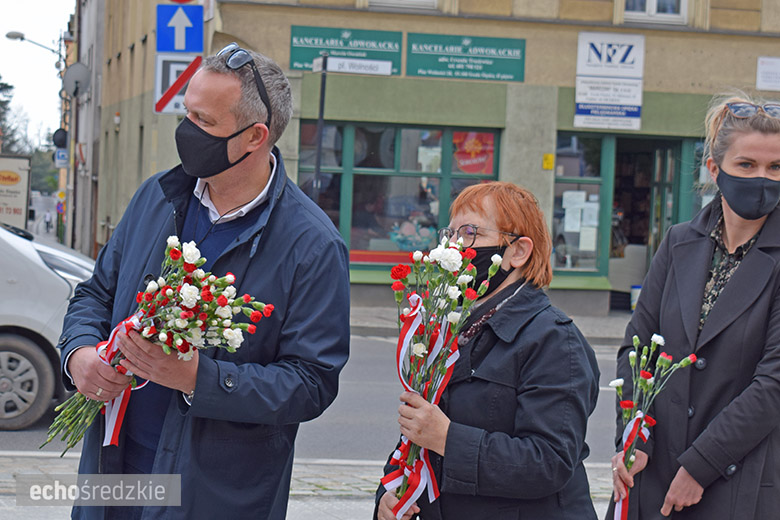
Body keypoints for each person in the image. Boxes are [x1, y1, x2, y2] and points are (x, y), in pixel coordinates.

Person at [59, 43, 350, 520]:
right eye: (186, 113)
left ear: (255, 137)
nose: (186, 132)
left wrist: (202, 379)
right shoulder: (156, 196)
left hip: (215, 497)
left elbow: (311, 383)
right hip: (116, 477)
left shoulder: (313, 246)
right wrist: (79, 354)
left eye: (205, 123)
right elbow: (96, 294)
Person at [376, 182, 600, 520]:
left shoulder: (554, 340)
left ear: (518, 252)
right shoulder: (453, 327)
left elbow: (550, 461)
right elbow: (418, 436)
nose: (454, 245)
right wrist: (391, 495)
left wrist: (448, 439)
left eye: (470, 233)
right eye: (449, 234)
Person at [608, 94, 780, 519]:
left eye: (775, 168)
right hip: (652, 469)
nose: (763, 178)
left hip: (738, 478)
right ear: (715, 169)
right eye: (747, 165)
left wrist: (699, 467)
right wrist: (633, 439)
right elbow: (637, 349)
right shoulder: (679, 241)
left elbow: (773, 384)